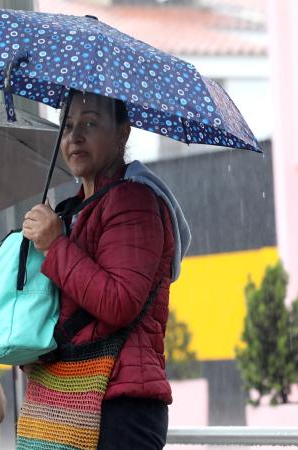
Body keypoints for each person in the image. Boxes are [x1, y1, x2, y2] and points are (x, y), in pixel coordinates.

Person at [21, 91, 190, 450]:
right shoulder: (74, 209)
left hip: (119, 403)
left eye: (90, 123)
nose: (74, 137)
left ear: (122, 133)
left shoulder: (134, 201)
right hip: (77, 396)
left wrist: (55, 246)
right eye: (67, 126)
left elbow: (119, 302)